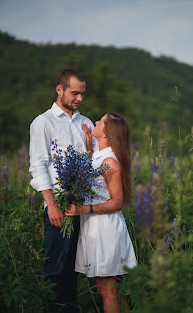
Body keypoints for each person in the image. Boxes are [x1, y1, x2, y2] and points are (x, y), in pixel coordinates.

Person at [29, 69, 98, 312]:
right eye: (74, 93)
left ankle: (70, 308)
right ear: (59, 89)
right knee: (56, 267)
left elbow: (92, 165)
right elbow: (38, 165)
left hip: (81, 204)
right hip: (58, 204)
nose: (79, 98)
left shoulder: (86, 123)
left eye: (82, 93)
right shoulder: (43, 122)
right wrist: (52, 205)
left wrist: (90, 151)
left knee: (73, 268)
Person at [65, 112, 137, 313]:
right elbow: (94, 176)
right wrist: (89, 147)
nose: (95, 121)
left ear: (107, 132)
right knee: (108, 287)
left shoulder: (110, 162)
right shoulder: (100, 155)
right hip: (96, 225)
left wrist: (84, 208)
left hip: (106, 228)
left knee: (107, 289)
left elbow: (117, 202)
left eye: (101, 121)